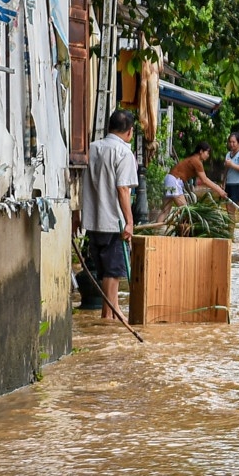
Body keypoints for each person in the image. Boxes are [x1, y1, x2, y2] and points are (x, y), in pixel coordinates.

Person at [83, 109, 138, 321]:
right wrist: (130, 222)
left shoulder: (92, 148)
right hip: (114, 222)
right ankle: (107, 316)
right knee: (112, 273)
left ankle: (114, 314)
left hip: (93, 220)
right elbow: (123, 189)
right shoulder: (123, 153)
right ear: (129, 132)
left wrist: (78, 216)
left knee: (106, 271)